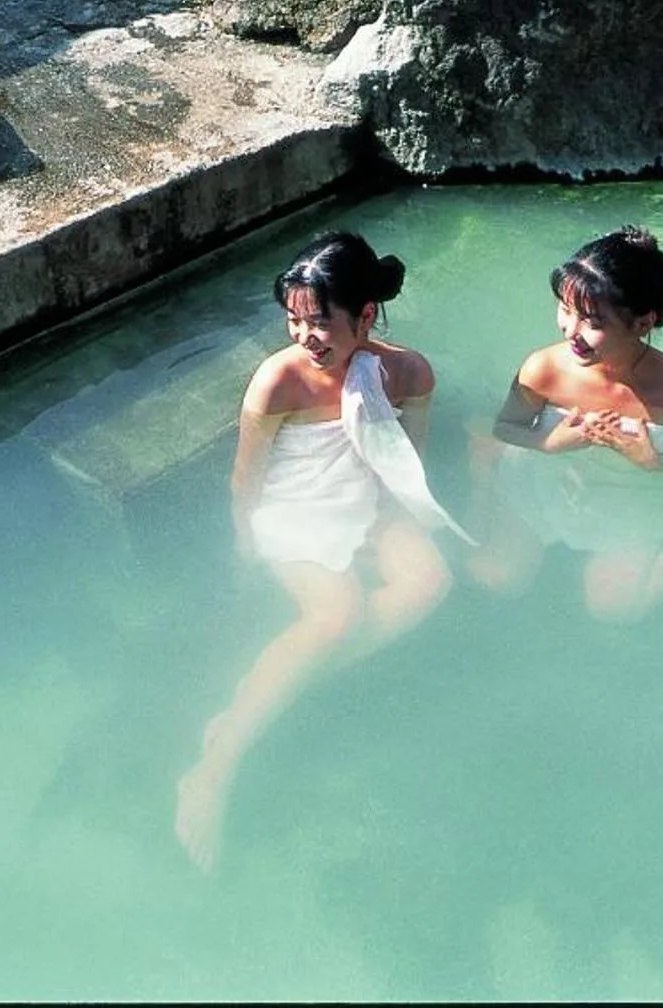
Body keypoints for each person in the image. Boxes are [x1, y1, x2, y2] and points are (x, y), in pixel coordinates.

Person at [174, 228, 465, 869]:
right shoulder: (277, 383)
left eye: (321, 322)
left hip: (369, 504)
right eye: (294, 321)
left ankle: (277, 690)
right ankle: (216, 764)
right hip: (296, 510)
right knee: (336, 615)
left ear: (365, 316)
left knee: (430, 583)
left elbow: (406, 464)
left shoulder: (408, 373)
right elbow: (247, 479)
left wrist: (390, 529)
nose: (306, 337)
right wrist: (243, 546)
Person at [469, 224, 663, 622]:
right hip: (545, 484)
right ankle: (482, 465)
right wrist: (551, 442)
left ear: (642, 323)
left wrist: (651, 461)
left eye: (593, 322)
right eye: (565, 310)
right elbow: (506, 427)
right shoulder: (544, 369)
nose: (572, 332)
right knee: (495, 578)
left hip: (629, 501)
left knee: (617, 612)